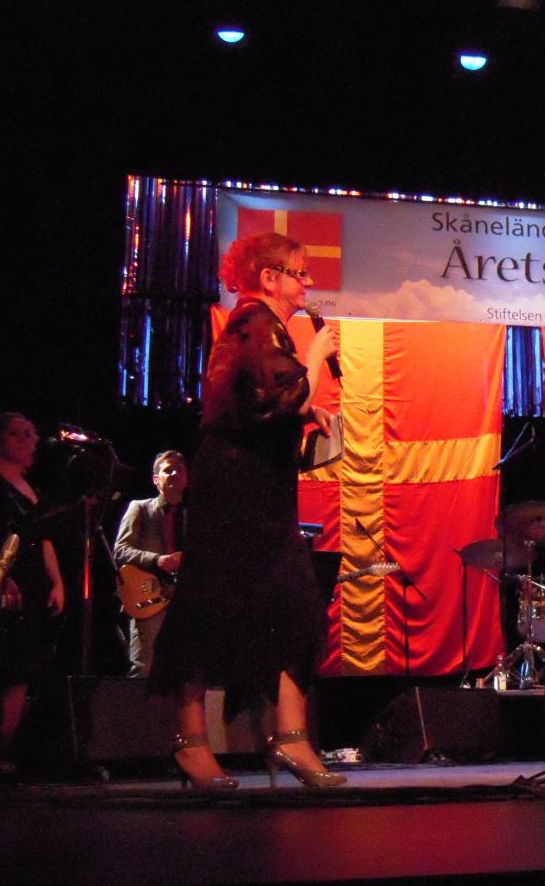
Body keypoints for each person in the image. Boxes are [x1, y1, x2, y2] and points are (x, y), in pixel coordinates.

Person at [149, 231, 345, 790]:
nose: (308, 283)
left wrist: (305, 415)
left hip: (262, 488)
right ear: (269, 277)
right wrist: (314, 357)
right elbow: (278, 396)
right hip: (235, 489)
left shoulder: (264, 328)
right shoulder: (254, 322)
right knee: (210, 606)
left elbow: (265, 406)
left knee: (295, 605)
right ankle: (191, 743)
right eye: (300, 273)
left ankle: (290, 737)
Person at [0, 412, 67, 775]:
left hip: (31, 586)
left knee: (21, 669)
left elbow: (44, 538)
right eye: (16, 434)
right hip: (5, 586)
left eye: (30, 433)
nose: (27, 440)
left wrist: (57, 581)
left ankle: (3, 751)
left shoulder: (30, 487)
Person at [113, 450, 187, 677]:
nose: (174, 474)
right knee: (145, 668)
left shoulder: (193, 517)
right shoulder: (140, 508)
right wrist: (158, 560)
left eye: (179, 470)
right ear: (156, 479)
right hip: (150, 596)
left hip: (183, 601)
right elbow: (120, 551)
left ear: (187, 478)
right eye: (168, 470)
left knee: (182, 672)